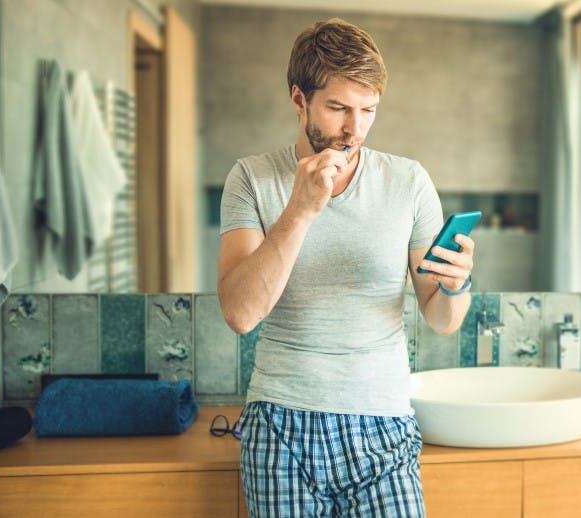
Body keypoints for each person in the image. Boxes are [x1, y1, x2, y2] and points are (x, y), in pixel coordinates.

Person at [217, 18, 473, 517]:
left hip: (384, 425)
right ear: (299, 99)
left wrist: (456, 286)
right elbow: (240, 314)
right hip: (282, 424)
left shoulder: (409, 182)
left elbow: (441, 320)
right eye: (337, 108)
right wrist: (301, 210)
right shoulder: (251, 178)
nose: (354, 128)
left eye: (368, 110)